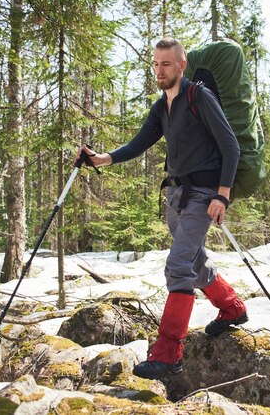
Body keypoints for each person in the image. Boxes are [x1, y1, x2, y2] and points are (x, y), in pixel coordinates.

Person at [76, 38, 248, 379]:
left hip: (204, 194)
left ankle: (169, 353)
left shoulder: (200, 97)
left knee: (179, 265)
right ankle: (232, 309)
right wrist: (104, 158)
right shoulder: (161, 107)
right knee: (194, 261)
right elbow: (141, 142)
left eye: (166, 64)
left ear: (181, 65)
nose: (159, 70)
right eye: (155, 64)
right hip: (177, 195)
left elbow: (230, 146)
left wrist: (222, 196)